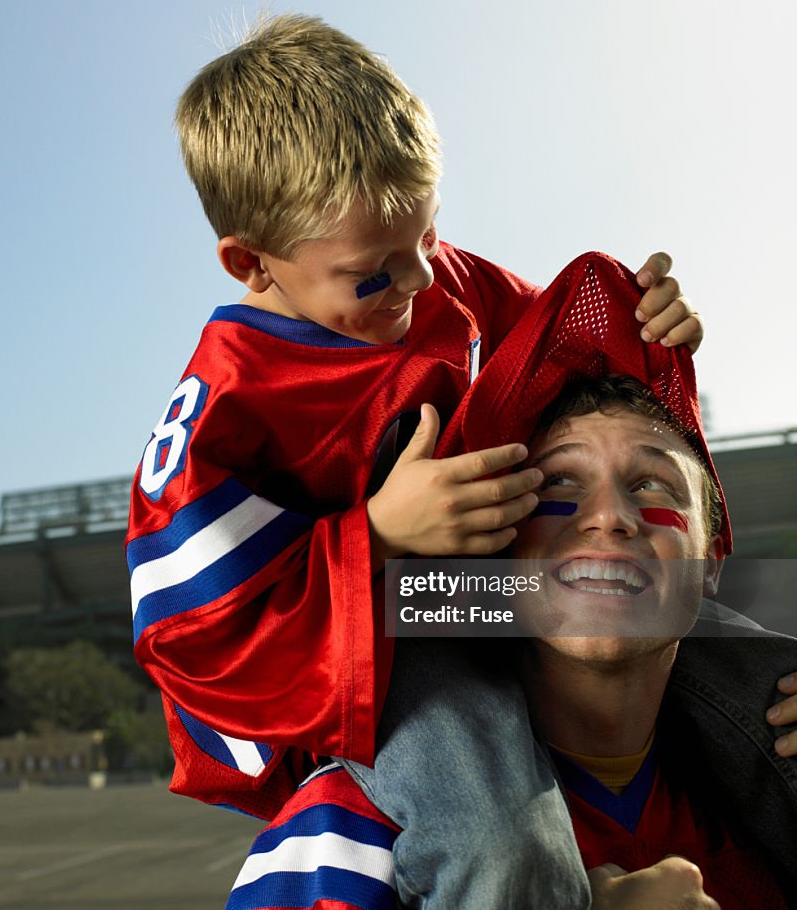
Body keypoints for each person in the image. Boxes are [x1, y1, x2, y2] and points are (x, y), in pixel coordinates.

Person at [125, 13, 704, 900]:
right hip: (395, 645)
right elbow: (194, 636)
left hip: (501, 587)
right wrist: (379, 539)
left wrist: (649, 325)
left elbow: (570, 351)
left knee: (740, 638)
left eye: (428, 237)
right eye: (376, 273)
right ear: (253, 263)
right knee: (501, 840)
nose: (424, 282)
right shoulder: (227, 408)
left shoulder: (435, 279)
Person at [225, 372, 797, 910]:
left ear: (713, 559)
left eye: (652, 484)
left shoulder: (770, 790)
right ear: (496, 545)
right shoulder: (355, 824)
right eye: (559, 482)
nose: (609, 517)